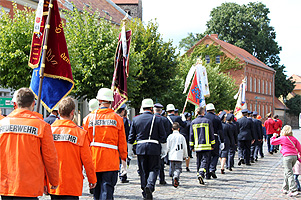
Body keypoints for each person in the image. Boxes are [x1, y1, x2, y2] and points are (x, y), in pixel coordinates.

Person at [0, 88, 59, 199]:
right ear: (33, 103)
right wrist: (53, 180)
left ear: (15, 103)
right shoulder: (42, 126)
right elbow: (50, 157)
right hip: (29, 185)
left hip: (6, 184)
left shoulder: (2, 124)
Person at [83, 88, 127, 200]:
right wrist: (124, 158)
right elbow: (122, 142)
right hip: (110, 161)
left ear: (98, 100)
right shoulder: (117, 118)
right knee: (107, 191)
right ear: (111, 101)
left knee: (96, 192)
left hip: (94, 159)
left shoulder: (88, 119)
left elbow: (85, 143)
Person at [49, 97, 97, 199]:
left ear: (58, 111)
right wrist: (92, 179)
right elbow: (87, 160)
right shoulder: (80, 133)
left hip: (53, 181)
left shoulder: (49, 131)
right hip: (72, 183)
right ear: (72, 112)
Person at [128, 98, 167, 200]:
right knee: (154, 168)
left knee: (143, 170)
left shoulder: (136, 119)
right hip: (154, 147)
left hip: (140, 148)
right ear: (151, 108)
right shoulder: (157, 119)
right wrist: (164, 149)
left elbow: (131, 137)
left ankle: (144, 191)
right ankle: (150, 186)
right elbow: (163, 136)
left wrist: (129, 150)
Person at [271, 125, 301, 197]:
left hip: (287, 156)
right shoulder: (294, 138)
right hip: (294, 156)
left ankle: (293, 190)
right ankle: (285, 188)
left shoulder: (283, 138)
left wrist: (274, 136)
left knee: (289, 172)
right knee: (287, 171)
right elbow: (299, 148)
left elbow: (272, 142)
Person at [190, 106, 215, 185]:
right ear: (203, 112)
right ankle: (201, 173)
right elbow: (211, 133)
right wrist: (213, 144)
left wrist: (191, 146)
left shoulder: (193, 122)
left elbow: (191, 135)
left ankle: (199, 174)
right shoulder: (207, 121)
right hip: (206, 145)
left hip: (197, 145)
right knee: (205, 161)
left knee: (198, 161)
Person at [204, 103, 224, 179]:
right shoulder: (217, 118)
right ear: (214, 109)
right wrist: (222, 141)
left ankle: (207, 174)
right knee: (215, 155)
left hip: (205, 139)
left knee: (207, 156)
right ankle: (212, 169)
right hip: (215, 137)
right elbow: (220, 130)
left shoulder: (204, 117)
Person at [154, 103, 171, 185]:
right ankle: (162, 178)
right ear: (161, 111)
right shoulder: (165, 120)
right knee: (160, 163)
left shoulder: (151, 118)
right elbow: (168, 132)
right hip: (161, 142)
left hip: (152, 142)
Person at [166, 122, 188, 188]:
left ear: (172, 129)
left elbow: (167, 147)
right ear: (179, 129)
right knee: (178, 168)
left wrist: (165, 153)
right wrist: (185, 155)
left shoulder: (170, 137)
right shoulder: (182, 137)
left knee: (172, 168)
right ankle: (176, 177)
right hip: (179, 155)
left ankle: (174, 178)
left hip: (171, 155)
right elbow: (184, 146)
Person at [116, 104, 130, 183]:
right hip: (123, 142)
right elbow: (127, 132)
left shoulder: (114, 118)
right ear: (122, 111)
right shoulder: (123, 120)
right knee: (123, 159)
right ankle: (123, 175)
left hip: (114, 143)